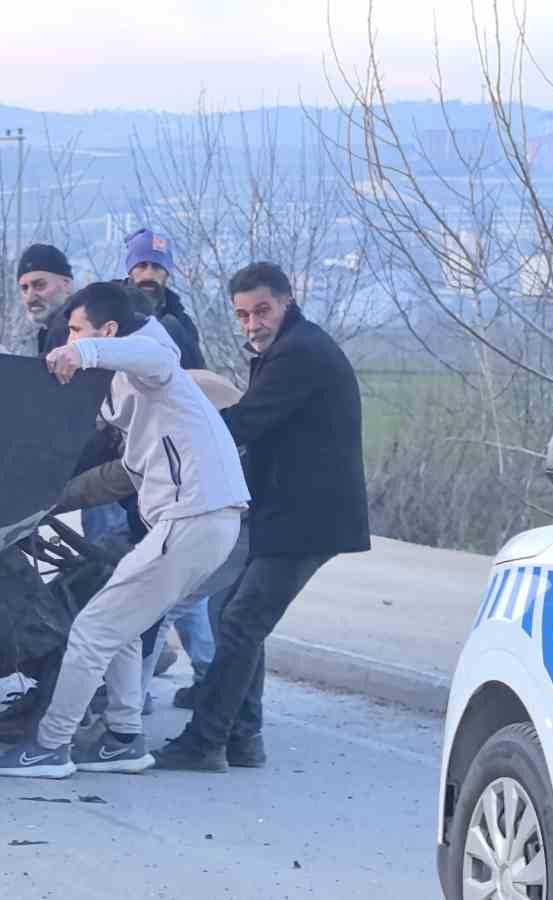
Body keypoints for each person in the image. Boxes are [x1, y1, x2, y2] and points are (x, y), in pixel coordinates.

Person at [0, 281, 247, 780]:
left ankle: (50, 747)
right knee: (121, 626)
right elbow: (121, 468)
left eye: (78, 329)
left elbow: (145, 350)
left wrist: (82, 351)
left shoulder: (153, 364)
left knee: (91, 631)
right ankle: (124, 739)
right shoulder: (130, 391)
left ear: (106, 331)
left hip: (193, 516)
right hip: (196, 521)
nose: (70, 336)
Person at [155, 262, 369, 773]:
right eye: (243, 314)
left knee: (241, 620)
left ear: (287, 301)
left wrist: (173, 436)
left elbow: (247, 422)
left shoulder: (299, 354)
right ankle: (242, 738)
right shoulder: (288, 349)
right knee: (235, 615)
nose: (251, 323)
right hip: (289, 513)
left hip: (307, 519)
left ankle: (205, 742)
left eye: (262, 310)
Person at [119, 228, 204, 369]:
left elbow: (196, 375)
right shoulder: (106, 308)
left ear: (167, 273)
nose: (149, 275)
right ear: (130, 270)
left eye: (157, 267)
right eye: (141, 265)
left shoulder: (182, 324)